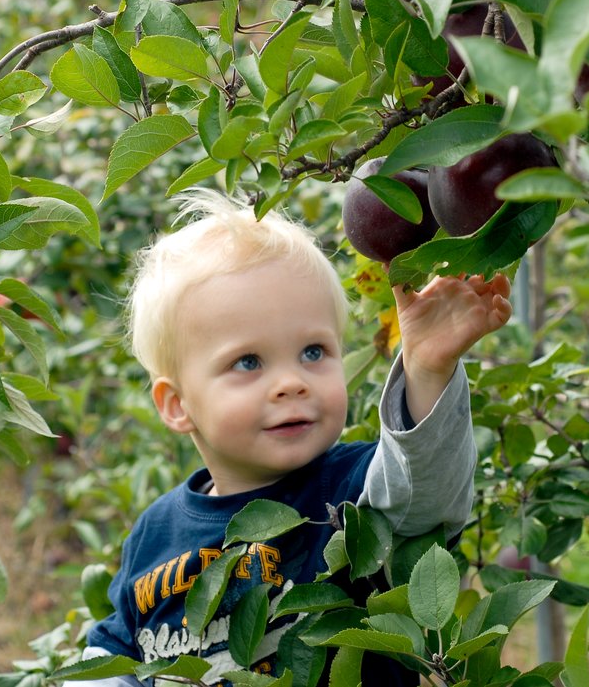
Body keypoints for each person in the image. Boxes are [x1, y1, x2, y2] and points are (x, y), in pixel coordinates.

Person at [75, 189, 512, 686]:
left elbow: (424, 488)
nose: (292, 382)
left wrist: (428, 370)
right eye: (248, 362)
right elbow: (113, 651)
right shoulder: (154, 533)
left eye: (312, 351)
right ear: (178, 405)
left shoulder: (350, 490)